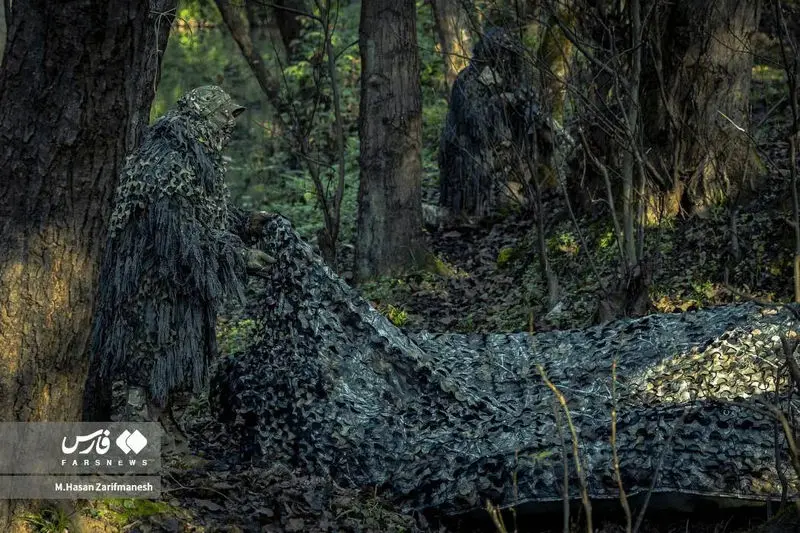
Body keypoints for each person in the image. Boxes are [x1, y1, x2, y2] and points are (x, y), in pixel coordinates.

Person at [84, 86, 273, 451]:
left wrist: (245, 222)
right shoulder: (166, 162)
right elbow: (179, 235)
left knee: (177, 368)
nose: (230, 125)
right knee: (146, 369)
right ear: (200, 117)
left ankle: (169, 441)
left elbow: (205, 215)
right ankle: (137, 456)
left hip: (181, 286)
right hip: (151, 286)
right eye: (224, 115)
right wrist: (239, 258)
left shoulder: (198, 159)